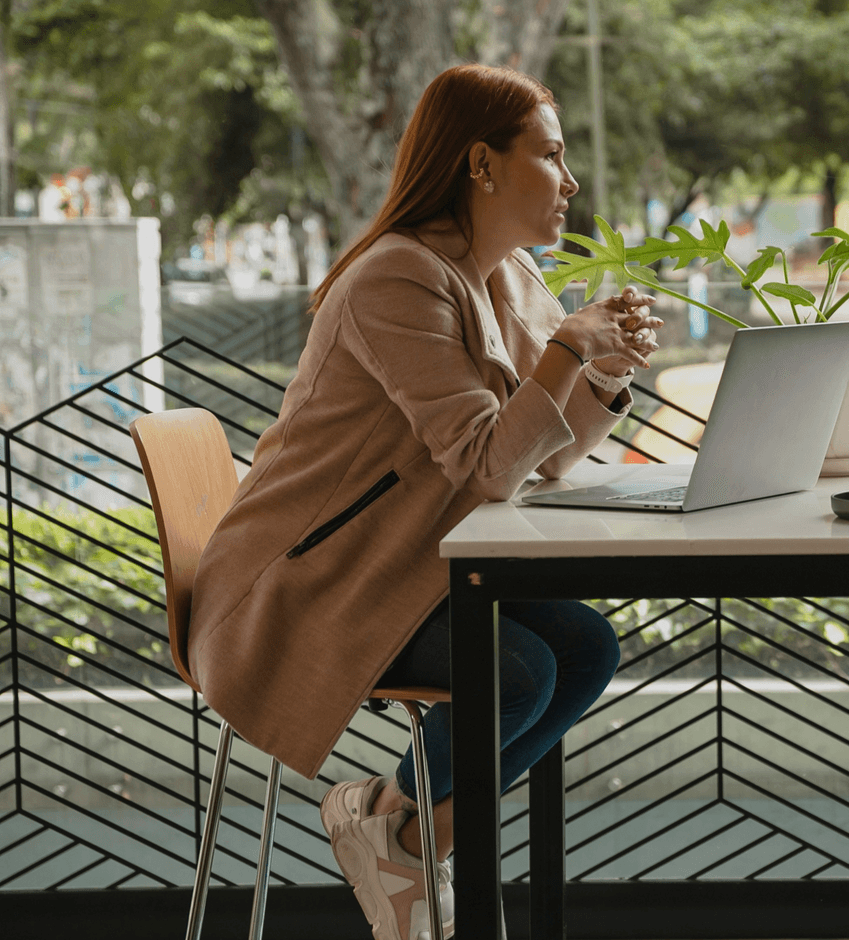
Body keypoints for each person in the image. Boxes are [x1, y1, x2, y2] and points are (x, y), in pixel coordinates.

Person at [188, 64, 663, 940]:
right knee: (520, 675)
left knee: (588, 647)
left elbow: (542, 463)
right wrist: (565, 348)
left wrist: (599, 372)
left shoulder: (510, 275)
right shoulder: (395, 280)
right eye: (551, 156)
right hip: (313, 580)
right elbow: (487, 465)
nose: (571, 179)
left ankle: (400, 834)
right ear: (481, 164)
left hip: (410, 563)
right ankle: (404, 839)